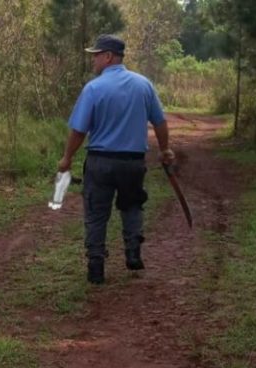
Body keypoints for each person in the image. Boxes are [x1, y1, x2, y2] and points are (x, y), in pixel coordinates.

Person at [57, 34, 175, 285]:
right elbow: (160, 122)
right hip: (133, 162)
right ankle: (133, 252)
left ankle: (96, 266)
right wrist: (165, 150)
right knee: (132, 205)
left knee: (96, 213)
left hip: (101, 162)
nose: (93, 61)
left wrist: (67, 158)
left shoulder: (94, 88)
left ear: (108, 56)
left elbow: (79, 130)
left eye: (96, 55)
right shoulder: (144, 85)